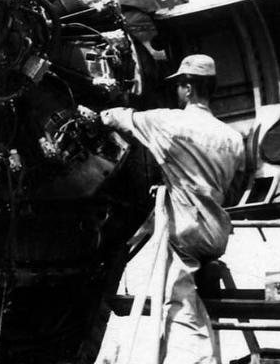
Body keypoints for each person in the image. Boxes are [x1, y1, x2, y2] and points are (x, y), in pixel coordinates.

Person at [98, 54, 244, 364]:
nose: (177, 92)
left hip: (185, 232)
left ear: (188, 88)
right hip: (216, 232)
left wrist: (95, 115)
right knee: (181, 297)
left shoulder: (170, 122)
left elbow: (119, 118)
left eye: (179, 86)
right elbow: (230, 188)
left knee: (179, 308)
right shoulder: (233, 138)